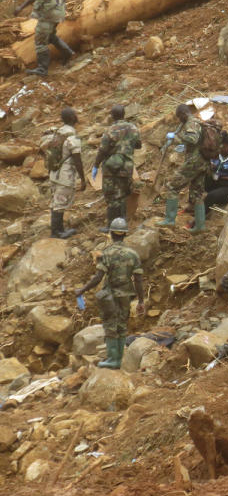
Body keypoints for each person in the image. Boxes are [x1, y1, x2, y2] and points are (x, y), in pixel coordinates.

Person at [74, 217, 145, 369]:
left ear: (112, 234)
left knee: (111, 326)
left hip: (110, 296)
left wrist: (82, 290)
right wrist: (141, 301)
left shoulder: (107, 253)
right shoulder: (133, 254)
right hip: (126, 295)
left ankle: (113, 359)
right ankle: (118, 358)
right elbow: (138, 280)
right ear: (125, 234)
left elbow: (98, 277)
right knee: (122, 326)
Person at [14, 0, 76, 76]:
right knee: (51, 36)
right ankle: (67, 52)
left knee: (40, 40)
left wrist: (21, 7)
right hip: (58, 12)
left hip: (47, 14)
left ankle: (42, 69)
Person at [158, 104, 210, 232]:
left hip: (194, 162)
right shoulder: (197, 122)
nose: (179, 119)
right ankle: (200, 226)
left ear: (183, 114)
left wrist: (176, 138)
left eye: (179, 117)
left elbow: (192, 139)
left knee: (172, 186)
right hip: (203, 162)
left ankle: (169, 220)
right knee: (197, 194)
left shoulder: (191, 123)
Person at [93, 104, 142, 232]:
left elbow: (103, 150)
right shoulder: (133, 128)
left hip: (112, 167)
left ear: (112, 116)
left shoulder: (110, 130)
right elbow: (138, 145)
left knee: (112, 196)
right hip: (127, 166)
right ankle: (122, 223)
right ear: (124, 114)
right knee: (123, 194)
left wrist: (95, 165)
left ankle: (111, 226)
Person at [42, 106, 86, 238]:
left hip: (54, 173)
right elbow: (77, 159)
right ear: (73, 118)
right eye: (75, 114)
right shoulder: (72, 135)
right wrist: (83, 179)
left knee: (56, 202)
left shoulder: (57, 132)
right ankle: (56, 232)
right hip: (64, 176)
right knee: (60, 203)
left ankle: (59, 229)